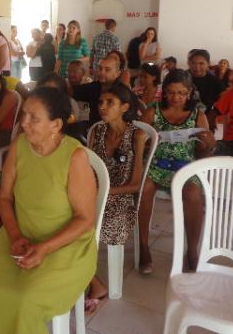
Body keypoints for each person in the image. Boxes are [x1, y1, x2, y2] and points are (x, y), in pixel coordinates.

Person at [0, 87, 98, 334]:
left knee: (25, 300)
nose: (23, 123)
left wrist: (43, 248)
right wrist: (15, 236)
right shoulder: (20, 145)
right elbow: (4, 197)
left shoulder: (74, 157)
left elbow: (85, 219)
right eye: (23, 115)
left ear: (56, 125)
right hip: (20, 234)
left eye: (34, 118)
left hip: (66, 246)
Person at [138, 70, 216, 274]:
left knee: (192, 193)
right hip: (156, 164)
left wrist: (207, 145)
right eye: (171, 92)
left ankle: (192, 250)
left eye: (181, 93)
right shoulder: (152, 111)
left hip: (185, 166)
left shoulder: (198, 115)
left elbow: (202, 152)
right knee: (144, 188)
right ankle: (144, 246)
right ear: (164, 92)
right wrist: (150, 142)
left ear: (190, 93)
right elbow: (137, 142)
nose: (176, 97)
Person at [85, 83, 146, 314]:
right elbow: (89, 171)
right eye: (101, 102)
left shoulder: (136, 135)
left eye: (110, 102)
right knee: (66, 220)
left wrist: (103, 192)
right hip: (95, 194)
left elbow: (135, 185)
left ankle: (90, 281)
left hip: (120, 201)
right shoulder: (97, 131)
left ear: (125, 107)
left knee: (81, 227)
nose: (103, 107)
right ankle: (93, 282)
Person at [73, 56, 123, 128]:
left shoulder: (122, 92)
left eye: (107, 69)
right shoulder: (95, 86)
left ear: (117, 73)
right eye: (100, 68)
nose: (102, 72)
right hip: (92, 128)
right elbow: (74, 92)